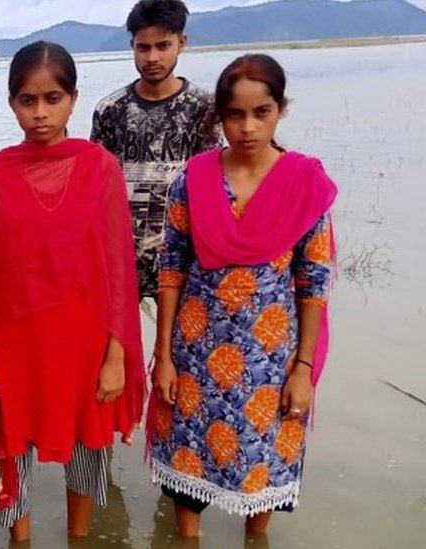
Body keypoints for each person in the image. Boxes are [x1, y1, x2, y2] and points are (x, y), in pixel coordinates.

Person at [147, 53, 337, 538]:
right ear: (220, 117)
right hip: (196, 352)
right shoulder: (194, 179)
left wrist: (304, 369)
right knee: (186, 483)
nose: (248, 127)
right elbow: (171, 270)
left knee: (264, 472)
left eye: (262, 112)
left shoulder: (304, 184)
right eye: (235, 114)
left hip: (270, 361)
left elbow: (313, 284)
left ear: (281, 110)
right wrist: (163, 356)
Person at [0, 41, 145, 543]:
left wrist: (116, 356)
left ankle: (79, 538)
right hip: (14, 348)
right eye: (28, 100)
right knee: (14, 456)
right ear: (11, 103)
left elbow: (117, 271)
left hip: (84, 346)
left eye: (53, 98)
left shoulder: (100, 169)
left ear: (73, 99)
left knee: (86, 455)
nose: (40, 112)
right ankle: (19, 540)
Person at [90, 0, 220, 301]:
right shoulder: (111, 111)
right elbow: (97, 189)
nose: (153, 57)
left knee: (174, 346)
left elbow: (209, 187)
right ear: (131, 46)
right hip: (121, 256)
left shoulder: (203, 108)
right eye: (143, 47)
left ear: (181, 43)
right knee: (116, 347)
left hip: (180, 253)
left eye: (163, 46)